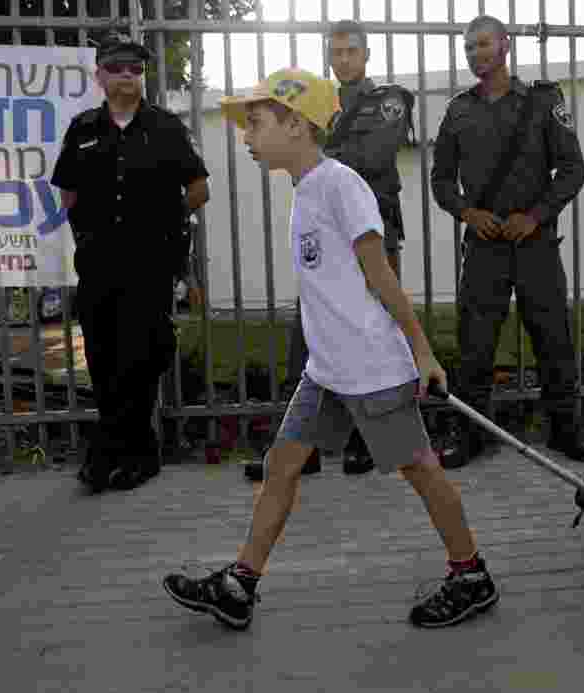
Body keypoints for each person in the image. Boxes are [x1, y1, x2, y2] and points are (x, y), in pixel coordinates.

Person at [162, 68, 499, 630]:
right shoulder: (306, 191)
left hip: (370, 367)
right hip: (327, 370)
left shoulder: (340, 184)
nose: (246, 135)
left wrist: (421, 351)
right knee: (281, 467)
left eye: (257, 123)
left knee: (420, 469)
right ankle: (239, 585)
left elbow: (381, 274)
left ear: (296, 125)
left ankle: (470, 574)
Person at [244, 20, 417, 482]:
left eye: (350, 52)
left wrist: (314, 151)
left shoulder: (387, 101)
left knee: (372, 325)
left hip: (368, 231)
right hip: (327, 238)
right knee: (312, 334)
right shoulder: (325, 108)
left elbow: (372, 157)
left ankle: (367, 443)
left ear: (366, 55)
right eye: (335, 52)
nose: (342, 60)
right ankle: (306, 447)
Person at [431, 15, 584, 466]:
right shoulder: (458, 111)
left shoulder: (543, 101)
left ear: (505, 46)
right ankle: (469, 435)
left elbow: (573, 169)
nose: (474, 54)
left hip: (535, 245)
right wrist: (468, 212)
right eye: (468, 48)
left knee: (554, 341)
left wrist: (536, 216)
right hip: (484, 248)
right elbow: (441, 179)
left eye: (483, 44)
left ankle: (566, 432)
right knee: (475, 347)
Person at [50, 32, 210, 492]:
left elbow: (199, 188)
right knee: (103, 356)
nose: (127, 78)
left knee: (142, 357)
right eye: (117, 69)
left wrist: (167, 224)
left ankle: (123, 453)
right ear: (99, 75)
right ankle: (125, 452)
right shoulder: (83, 128)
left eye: (135, 70)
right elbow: (68, 191)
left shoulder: (165, 127)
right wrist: (89, 231)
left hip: (150, 264)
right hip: (99, 264)